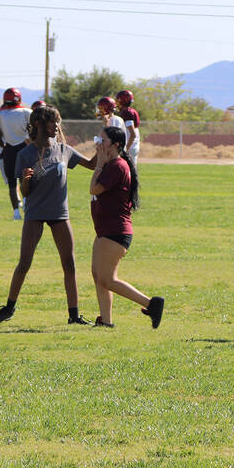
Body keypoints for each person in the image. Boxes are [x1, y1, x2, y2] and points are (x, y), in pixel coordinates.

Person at [0, 105, 96, 325]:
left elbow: (92, 165)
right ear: (38, 124)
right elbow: (25, 192)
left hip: (59, 214)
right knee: (24, 262)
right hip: (35, 214)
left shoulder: (64, 150)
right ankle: (8, 308)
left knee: (70, 265)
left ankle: (74, 315)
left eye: (57, 121)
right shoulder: (25, 154)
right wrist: (26, 180)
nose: (56, 125)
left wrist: (105, 145)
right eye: (52, 121)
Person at [88, 125, 164, 328]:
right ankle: (106, 321)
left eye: (102, 141)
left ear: (115, 145)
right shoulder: (112, 164)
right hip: (105, 230)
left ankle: (151, 304)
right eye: (98, 139)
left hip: (115, 231)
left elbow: (94, 189)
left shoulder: (116, 166)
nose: (98, 144)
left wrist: (99, 164)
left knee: (107, 279)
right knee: (98, 276)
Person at [0, 87, 31, 219]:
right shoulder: (26, 112)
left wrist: (6, 146)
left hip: (8, 150)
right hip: (23, 148)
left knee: (12, 184)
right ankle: (26, 204)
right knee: (24, 179)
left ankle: (16, 213)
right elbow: (31, 131)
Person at [116, 89, 142, 162]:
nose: (117, 103)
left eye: (118, 101)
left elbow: (132, 134)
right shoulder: (131, 111)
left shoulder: (127, 112)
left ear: (123, 101)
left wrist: (125, 149)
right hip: (133, 145)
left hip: (130, 147)